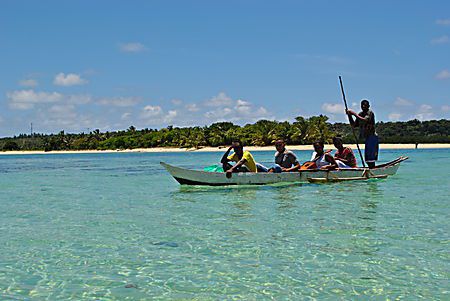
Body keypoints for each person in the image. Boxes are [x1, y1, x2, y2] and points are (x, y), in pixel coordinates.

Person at [346, 99, 379, 168]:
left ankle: (372, 169)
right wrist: (349, 115)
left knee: (370, 157)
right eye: (362, 105)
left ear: (368, 106)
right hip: (367, 138)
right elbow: (354, 125)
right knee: (367, 158)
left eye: (365, 105)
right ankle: (371, 169)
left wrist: (354, 113)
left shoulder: (370, 113)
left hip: (372, 137)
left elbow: (365, 120)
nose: (363, 106)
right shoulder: (360, 114)